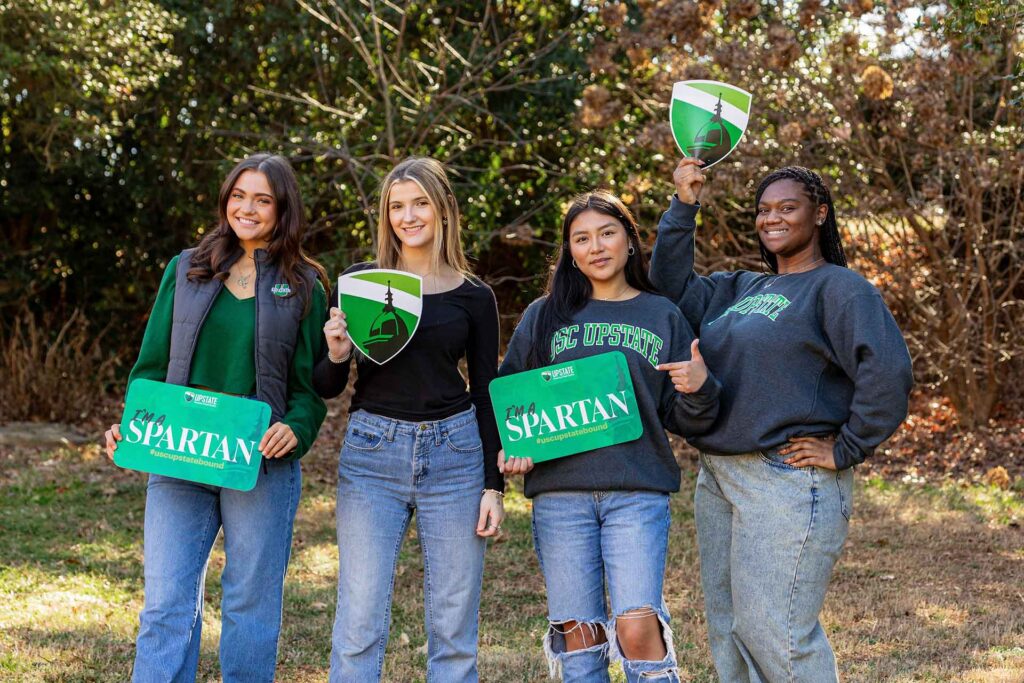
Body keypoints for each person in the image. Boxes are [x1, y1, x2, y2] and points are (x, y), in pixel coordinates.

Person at [650, 159, 913, 681]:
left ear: (819, 214)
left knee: (776, 632)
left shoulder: (840, 289)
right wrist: (684, 205)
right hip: (720, 477)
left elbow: (887, 373)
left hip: (787, 481)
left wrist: (846, 447)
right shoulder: (742, 289)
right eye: (764, 209)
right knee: (730, 631)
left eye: (787, 207)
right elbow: (670, 286)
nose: (772, 218)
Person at [103, 153, 330, 682]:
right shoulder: (185, 269)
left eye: (262, 200)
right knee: (165, 604)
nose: (246, 208)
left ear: (282, 209)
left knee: (250, 607)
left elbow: (310, 390)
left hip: (257, 466)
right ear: (225, 199)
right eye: (238, 196)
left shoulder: (304, 286)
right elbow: (151, 367)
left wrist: (294, 429)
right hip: (179, 456)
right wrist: (131, 425)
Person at [497, 190, 721, 683]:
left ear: (629, 242)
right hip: (561, 496)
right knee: (579, 638)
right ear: (570, 252)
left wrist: (700, 388)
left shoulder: (661, 315)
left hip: (636, 493)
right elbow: (511, 399)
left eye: (607, 233)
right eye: (581, 238)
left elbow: (683, 416)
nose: (596, 247)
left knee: (636, 627)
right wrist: (514, 448)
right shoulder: (544, 316)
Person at [313, 156, 504, 682]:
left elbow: (487, 392)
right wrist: (333, 352)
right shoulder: (359, 283)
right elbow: (327, 386)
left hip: (457, 455)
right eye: (397, 206)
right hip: (373, 454)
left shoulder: (474, 296)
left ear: (443, 208)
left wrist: (494, 485)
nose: (408, 216)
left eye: (420, 203)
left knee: (453, 626)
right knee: (359, 620)